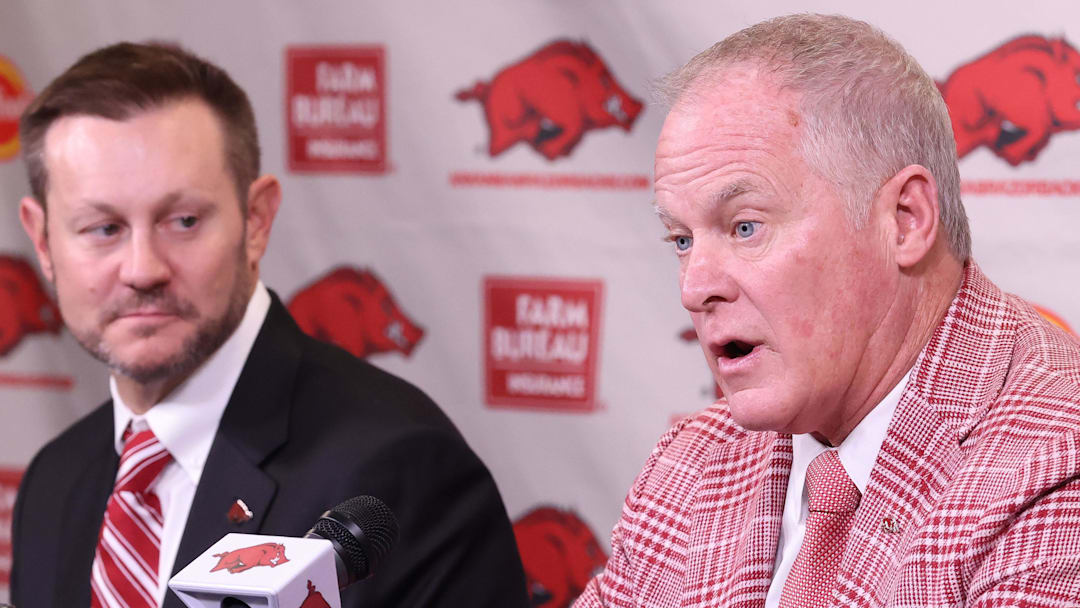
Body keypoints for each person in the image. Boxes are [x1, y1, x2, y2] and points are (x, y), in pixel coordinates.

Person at [576, 14, 1080, 608]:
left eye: (745, 227)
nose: (694, 288)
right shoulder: (691, 464)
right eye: (682, 239)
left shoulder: (1055, 460)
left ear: (905, 220)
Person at [10, 42, 528, 608]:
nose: (142, 270)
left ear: (255, 222)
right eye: (102, 228)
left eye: (183, 221)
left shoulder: (400, 469)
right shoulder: (54, 482)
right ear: (42, 241)